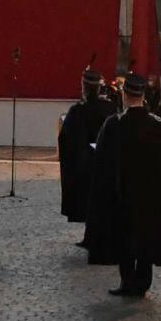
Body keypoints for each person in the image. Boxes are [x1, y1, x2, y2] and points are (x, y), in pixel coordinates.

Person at [93, 75, 161, 299]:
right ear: (143, 96)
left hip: (122, 194)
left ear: (125, 95)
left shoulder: (114, 125)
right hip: (150, 195)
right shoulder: (157, 125)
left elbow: (102, 161)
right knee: (146, 238)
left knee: (124, 238)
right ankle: (143, 281)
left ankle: (127, 280)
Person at [56, 72, 114, 246]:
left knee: (88, 202)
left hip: (85, 164)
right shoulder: (109, 108)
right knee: (102, 201)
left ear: (84, 87)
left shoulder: (77, 111)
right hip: (106, 162)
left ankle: (91, 237)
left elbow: (66, 138)